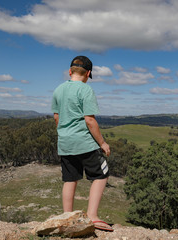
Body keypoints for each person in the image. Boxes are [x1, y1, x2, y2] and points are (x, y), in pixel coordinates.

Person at [51, 56, 113, 232]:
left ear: (70, 71)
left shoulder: (58, 90)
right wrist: (102, 143)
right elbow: (89, 120)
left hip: (65, 142)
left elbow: (57, 117)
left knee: (70, 179)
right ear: (88, 73)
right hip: (84, 142)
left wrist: (64, 134)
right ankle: (92, 216)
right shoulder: (86, 90)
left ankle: (67, 217)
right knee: (101, 175)